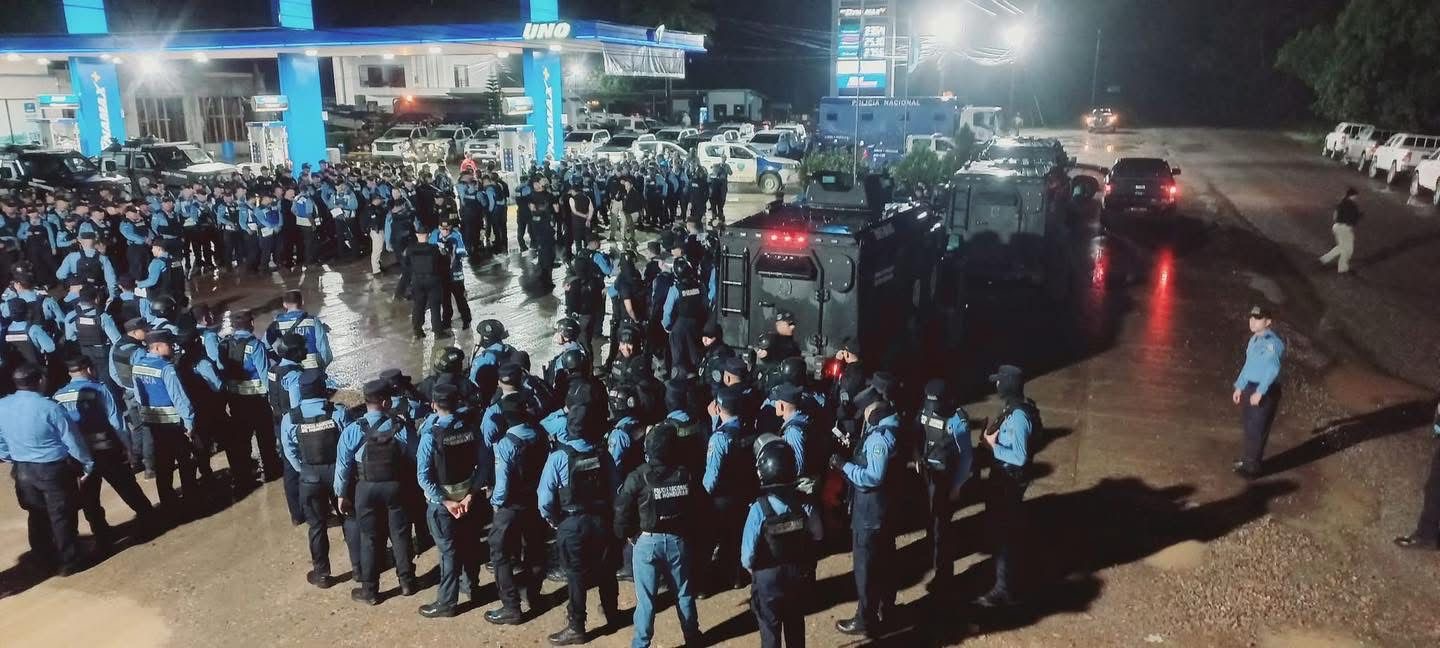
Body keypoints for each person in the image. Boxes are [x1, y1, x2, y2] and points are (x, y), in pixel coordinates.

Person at [539, 395, 624, 645]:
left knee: (575, 575)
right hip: (601, 521)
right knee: (607, 570)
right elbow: (616, 489)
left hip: (571, 522)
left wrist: (555, 521)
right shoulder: (603, 454)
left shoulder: (558, 457)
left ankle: (577, 626)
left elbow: (544, 500)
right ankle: (612, 613)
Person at [614, 421, 705, 648]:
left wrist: (628, 535)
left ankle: (640, 644)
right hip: (678, 541)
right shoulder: (685, 474)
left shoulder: (638, 476)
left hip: (647, 542)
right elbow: (700, 508)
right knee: (683, 593)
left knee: (646, 600)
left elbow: (622, 511)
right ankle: (692, 637)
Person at [0, 363, 93, 575]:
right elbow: (72, 441)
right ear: (40, 381)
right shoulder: (50, 408)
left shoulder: (2, 406)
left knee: (36, 514)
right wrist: (87, 463)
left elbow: (0, 440)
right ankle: (69, 560)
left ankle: (42, 559)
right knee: (61, 515)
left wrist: (8, 455)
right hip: (52, 469)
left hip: (22, 469)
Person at [54, 355, 154, 550]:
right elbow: (116, 422)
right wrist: (128, 448)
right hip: (106, 450)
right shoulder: (99, 390)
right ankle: (148, 519)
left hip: (80, 457)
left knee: (90, 498)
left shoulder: (58, 396)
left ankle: (102, 535)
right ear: (89, 369)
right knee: (127, 487)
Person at [335, 379, 418, 605]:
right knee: (400, 534)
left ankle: (370, 591)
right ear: (385, 402)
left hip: (366, 488)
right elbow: (416, 456)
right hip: (395, 486)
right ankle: (407, 582)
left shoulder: (352, 430)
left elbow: (342, 467)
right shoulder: (400, 427)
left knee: (369, 538)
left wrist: (341, 495)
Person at [829, 387, 899, 636]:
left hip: (870, 512)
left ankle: (865, 618)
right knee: (885, 561)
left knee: (866, 567)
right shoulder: (893, 426)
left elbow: (873, 477)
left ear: (873, 409)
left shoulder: (879, 438)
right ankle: (885, 609)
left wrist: (844, 466)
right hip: (885, 509)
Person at [741, 442, 823, 648]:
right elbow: (818, 535)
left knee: (770, 630)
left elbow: (746, 557)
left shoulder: (758, 509)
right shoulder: (804, 504)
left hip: (767, 579)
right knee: (795, 625)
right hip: (796, 573)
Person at [415, 383, 486, 618]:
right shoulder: (472, 429)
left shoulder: (430, 436)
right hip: (469, 502)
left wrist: (446, 502)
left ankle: (446, 603)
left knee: (448, 553)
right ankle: (471, 587)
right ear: (457, 403)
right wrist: (470, 495)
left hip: (443, 507)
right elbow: (483, 466)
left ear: (433, 405)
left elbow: (423, 476)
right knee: (470, 545)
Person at [280, 369, 354, 590]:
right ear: (322, 389)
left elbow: (289, 451)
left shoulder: (290, 418)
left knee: (316, 526)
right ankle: (360, 568)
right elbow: (350, 443)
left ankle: (322, 574)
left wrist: (303, 470)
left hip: (309, 477)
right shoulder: (338, 412)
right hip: (338, 474)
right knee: (349, 519)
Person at [975, 364, 1037, 608]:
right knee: (999, 532)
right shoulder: (1011, 408)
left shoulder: (1019, 416)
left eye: (1000, 382)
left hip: (1010, 482)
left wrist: (992, 447)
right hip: (1002, 479)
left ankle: (1004, 590)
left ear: (1008, 385)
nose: (997, 385)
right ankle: (1001, 580)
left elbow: (1020, 457)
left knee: (1005, 537)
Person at [485, 394, 549, 625]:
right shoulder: (540, 434)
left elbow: (502, 485)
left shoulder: (506, 444)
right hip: (535, 501)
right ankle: (533, 593)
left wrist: (495, 503)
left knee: (500, 553)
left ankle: (511, 606)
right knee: (534, 549)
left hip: (511, 505)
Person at [131, 329, 199, 515]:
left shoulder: (137, 367)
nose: (173, 347)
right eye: (169, 344)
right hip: (174, 425)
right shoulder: (166, 369)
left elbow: (139, 397)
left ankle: (168, 502)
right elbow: (179, 399)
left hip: (153, 425)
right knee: (186, 461)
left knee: (163, 464)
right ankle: (191, 498)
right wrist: (189, 424)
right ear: (157, 347)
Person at [703, 386, 760, 597]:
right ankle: (736, 577)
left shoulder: (719, 438)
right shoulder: (749, 430)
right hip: (743, 495)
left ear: (718, 408)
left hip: (721, 499)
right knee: (736, 537)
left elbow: (711, 478)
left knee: (710, 539)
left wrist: (701, 499)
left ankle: (706, 584)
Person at [915, 379, 972, 587]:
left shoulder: (957, 420)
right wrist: (916, 457)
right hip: (926, 475)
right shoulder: (925, 410)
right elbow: (917, 433)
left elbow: (966, 457)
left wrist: (957, 486)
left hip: (946, 479)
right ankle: (931, 558)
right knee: (929, 523)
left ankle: (944, 574)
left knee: (942, 528)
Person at [220, 310, 280, 489]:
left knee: (242, 439)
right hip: (257, 401)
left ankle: (244, 476)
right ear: (252, 324)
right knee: (265, 438)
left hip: (235, 400)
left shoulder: (224, 345)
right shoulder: (256, 346)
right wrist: (274, 401)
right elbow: (264, 375)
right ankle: (271, 471)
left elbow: (221, 370)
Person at [1231, 306, 1284, 478]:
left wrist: (1260, 391)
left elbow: (1273, 369)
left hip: (1265, 389)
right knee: (1249, 427)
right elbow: (1248, 366)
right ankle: (1248, 460)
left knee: (1257, 428)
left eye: (1258, 318)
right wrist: (1239, 386)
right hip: (1250, 387)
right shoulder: (1254, 340)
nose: (1252, 322)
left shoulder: (1273, 343)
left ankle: (1252, 468)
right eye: (1251, 318)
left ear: (1268, 322)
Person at [269, 333, 307, 526]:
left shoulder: (274, 369)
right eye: (302, 348)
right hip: (292, 426)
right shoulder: (294, 375)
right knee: (300, 467)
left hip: (279, 423)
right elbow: (297, 407)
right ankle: (306, 510)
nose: (306, 350)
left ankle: (296, 513)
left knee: (289, 467)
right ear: (294, 352)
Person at [264, 290, 332, 370]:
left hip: (288, 370)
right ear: (302, 302)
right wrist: (321, 369)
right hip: (312, 368)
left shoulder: (276, 324)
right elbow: (324, 350)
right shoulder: (313, 321)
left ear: (284, 304)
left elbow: (265, 348)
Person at [404, 223, 447, 339]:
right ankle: (438, 332)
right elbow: (441, 264)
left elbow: (406, 266)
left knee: (418, 305)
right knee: (435, 307)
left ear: (417, 235)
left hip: (417, 280)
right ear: (428, 235)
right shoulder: (434, 249)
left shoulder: (410, 249)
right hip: (432, 280)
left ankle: (417, 331)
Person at [431, 218, 472, 331]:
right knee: (445, 300)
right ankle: (446, 322)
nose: (445, 231)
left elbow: (462, 252)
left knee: (460, 298)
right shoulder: (434, 235)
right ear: (439, 228)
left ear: (450, 228)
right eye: (442, 229)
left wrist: (453, 253)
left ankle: (466, 319)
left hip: (455, 274)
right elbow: (430, 251)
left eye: (447, 229)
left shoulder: (456, 236)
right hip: (442, 274)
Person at [1319, 187, 1361, 275]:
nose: (1356, 198)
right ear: (1352, 195)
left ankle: (1324, 259)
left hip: (1337, 227)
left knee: (1342, 247)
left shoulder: (1341, 203)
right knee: (1348, 249)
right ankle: (1342, 268)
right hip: (1345, 228)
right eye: (1355, 196)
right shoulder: (1352, 205)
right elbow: (1353, 218)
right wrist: (1359, 216)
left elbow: (1335, 216)